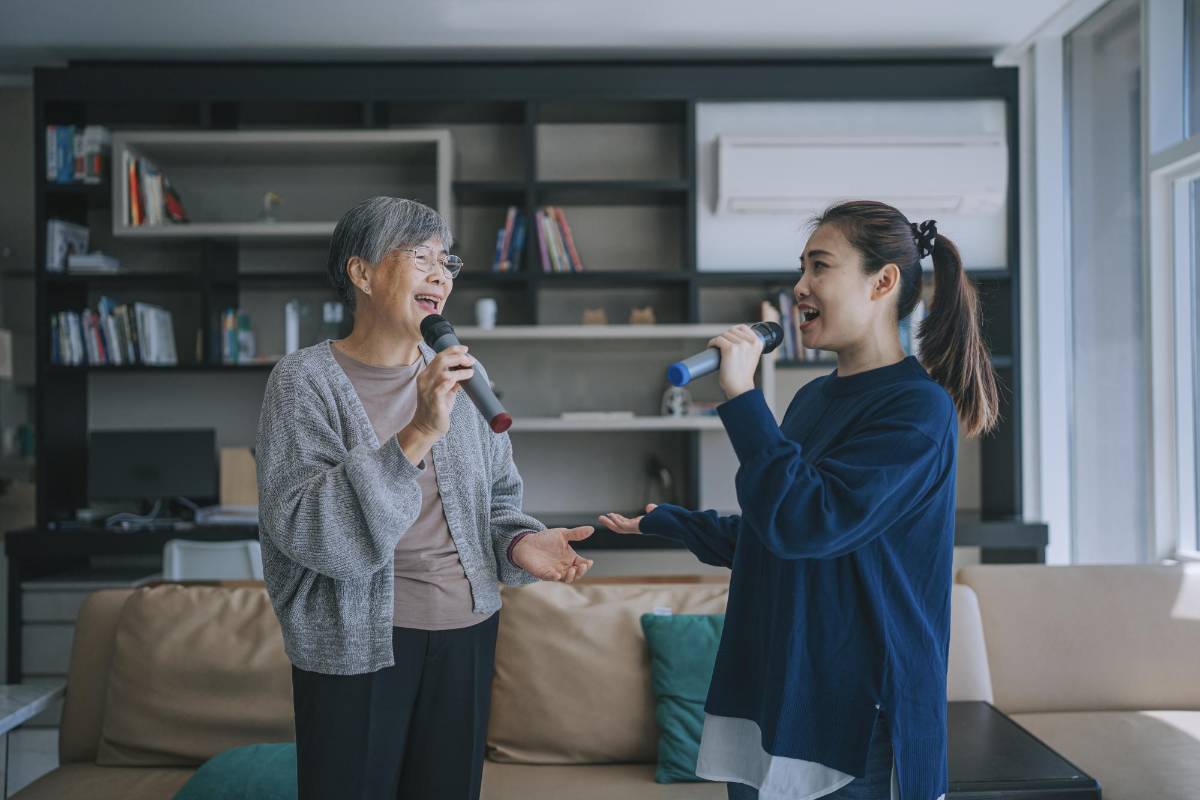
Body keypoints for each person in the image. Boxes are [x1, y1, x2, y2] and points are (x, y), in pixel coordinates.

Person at [601, 200, 998, 800]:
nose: (799, 287)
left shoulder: (917, 410)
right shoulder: (812, 398)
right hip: (776, 688)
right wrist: (672, 523)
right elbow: (777, 530)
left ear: (882, 282)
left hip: (858, 708)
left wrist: (740, 394)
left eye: (820, 267)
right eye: (801, 268)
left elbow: (806, 522)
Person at [256, 196, 595, 800]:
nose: (441, 275)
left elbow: (496, 502)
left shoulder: (460, 372)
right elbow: (311, 531)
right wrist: (417, 431)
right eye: (420, 257)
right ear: (361, 274)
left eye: (448, 262)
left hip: (467, 630)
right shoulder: (302, 381)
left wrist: (520, 543)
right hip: (356, 640)